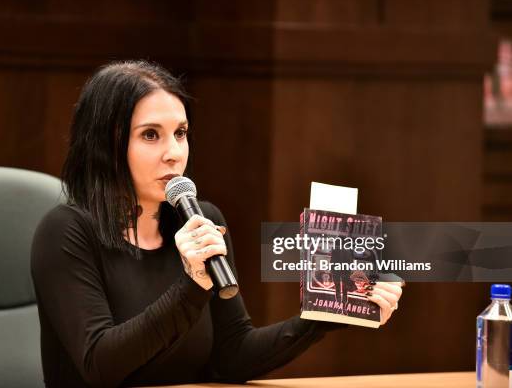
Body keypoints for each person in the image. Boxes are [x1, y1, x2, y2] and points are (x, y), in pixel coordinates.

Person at [30, 60, 403, 387]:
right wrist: (191, 286)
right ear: (105, 144)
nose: (174, 153)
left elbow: (233, 355)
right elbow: (99, 366)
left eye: (180, 133)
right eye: (150, 135)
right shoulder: (66, 231)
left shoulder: (201, 220)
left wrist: (325, 314)